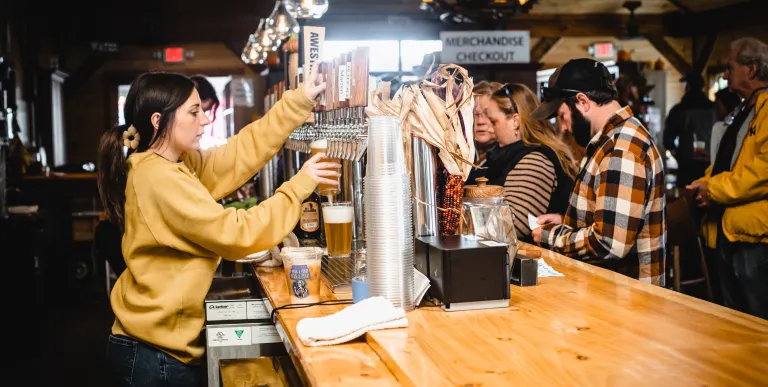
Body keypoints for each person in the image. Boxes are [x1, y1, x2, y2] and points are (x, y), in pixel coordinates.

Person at [97, 68, 335, 386]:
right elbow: (236, 233)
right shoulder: (158, 177)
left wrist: (297, 103)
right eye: (194, 112)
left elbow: (235, 155)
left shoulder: (175, 163)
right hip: (153, 355)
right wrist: (298, 186)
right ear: (158, 121)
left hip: (159, 345)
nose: (205, 120)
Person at [530, 58, 667, 286]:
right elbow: (612, 218)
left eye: (562, 115)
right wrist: (567, 222)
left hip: (629, 302)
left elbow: (609, 242)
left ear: (582, 102)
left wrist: (550, 235)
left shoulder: (622, 149)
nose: (563, 127)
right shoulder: (609, 141)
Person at [686, 37, 768, 319]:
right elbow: (729, 163)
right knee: (733, 322)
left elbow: (762, 171)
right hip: (730, 230)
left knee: (757, 324)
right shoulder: (744, 109)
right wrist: (704, 182)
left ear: (752, 68)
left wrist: (715, 188)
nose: (724, 74)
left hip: (756, 237)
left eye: (730, 67)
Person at [483, 82, 577, 241]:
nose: (490, 129)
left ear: (515, 121)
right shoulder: (507, 155)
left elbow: (511, 226)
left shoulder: (535, 160)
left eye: (494, 122)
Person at [663, 72, 718, 188]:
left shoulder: (679, 110)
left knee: (686, 200)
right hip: (710, 164)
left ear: (687, 86)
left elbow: (668, 140)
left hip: (687, 165)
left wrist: (679, 156)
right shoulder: (714, 109)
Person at [465, 81, 497, 185]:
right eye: (475, 114)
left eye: (487, 114)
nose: (480, 121)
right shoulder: (463, 154)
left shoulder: (505, 158)